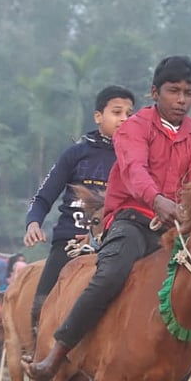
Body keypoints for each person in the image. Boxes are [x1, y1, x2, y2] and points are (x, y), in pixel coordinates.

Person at [26, 55, 191, 381]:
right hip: (131, 218)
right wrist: (158, 201)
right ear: (155, 92)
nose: (182, 100)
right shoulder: (135, 129)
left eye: (188, 92)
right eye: (174, 91)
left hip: (174, 230)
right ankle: (58, 351)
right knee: (111, 273)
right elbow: (133, 170)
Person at [23, 85, 136, 334]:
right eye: (117, 112)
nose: (124, 119)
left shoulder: (134, 159)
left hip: (116, 243)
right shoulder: (76, 154)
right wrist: (33, 223)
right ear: (98, 116)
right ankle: (37, 358)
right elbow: (43, 197)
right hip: (69, 243)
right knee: (41, 306)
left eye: (129, 113)